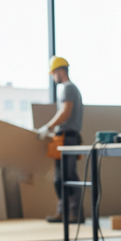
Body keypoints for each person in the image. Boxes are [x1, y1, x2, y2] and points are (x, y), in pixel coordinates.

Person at [36, 56, 84, 223]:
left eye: (53, 73)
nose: (53, 76)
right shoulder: (68, 89)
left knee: (68, 176)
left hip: (68, 138)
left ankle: (74, 213)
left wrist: (48, 127)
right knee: (61, 177)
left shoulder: (69, 89)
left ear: (60, 71)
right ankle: (63, 212)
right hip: (62, 138)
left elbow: (65, 113)